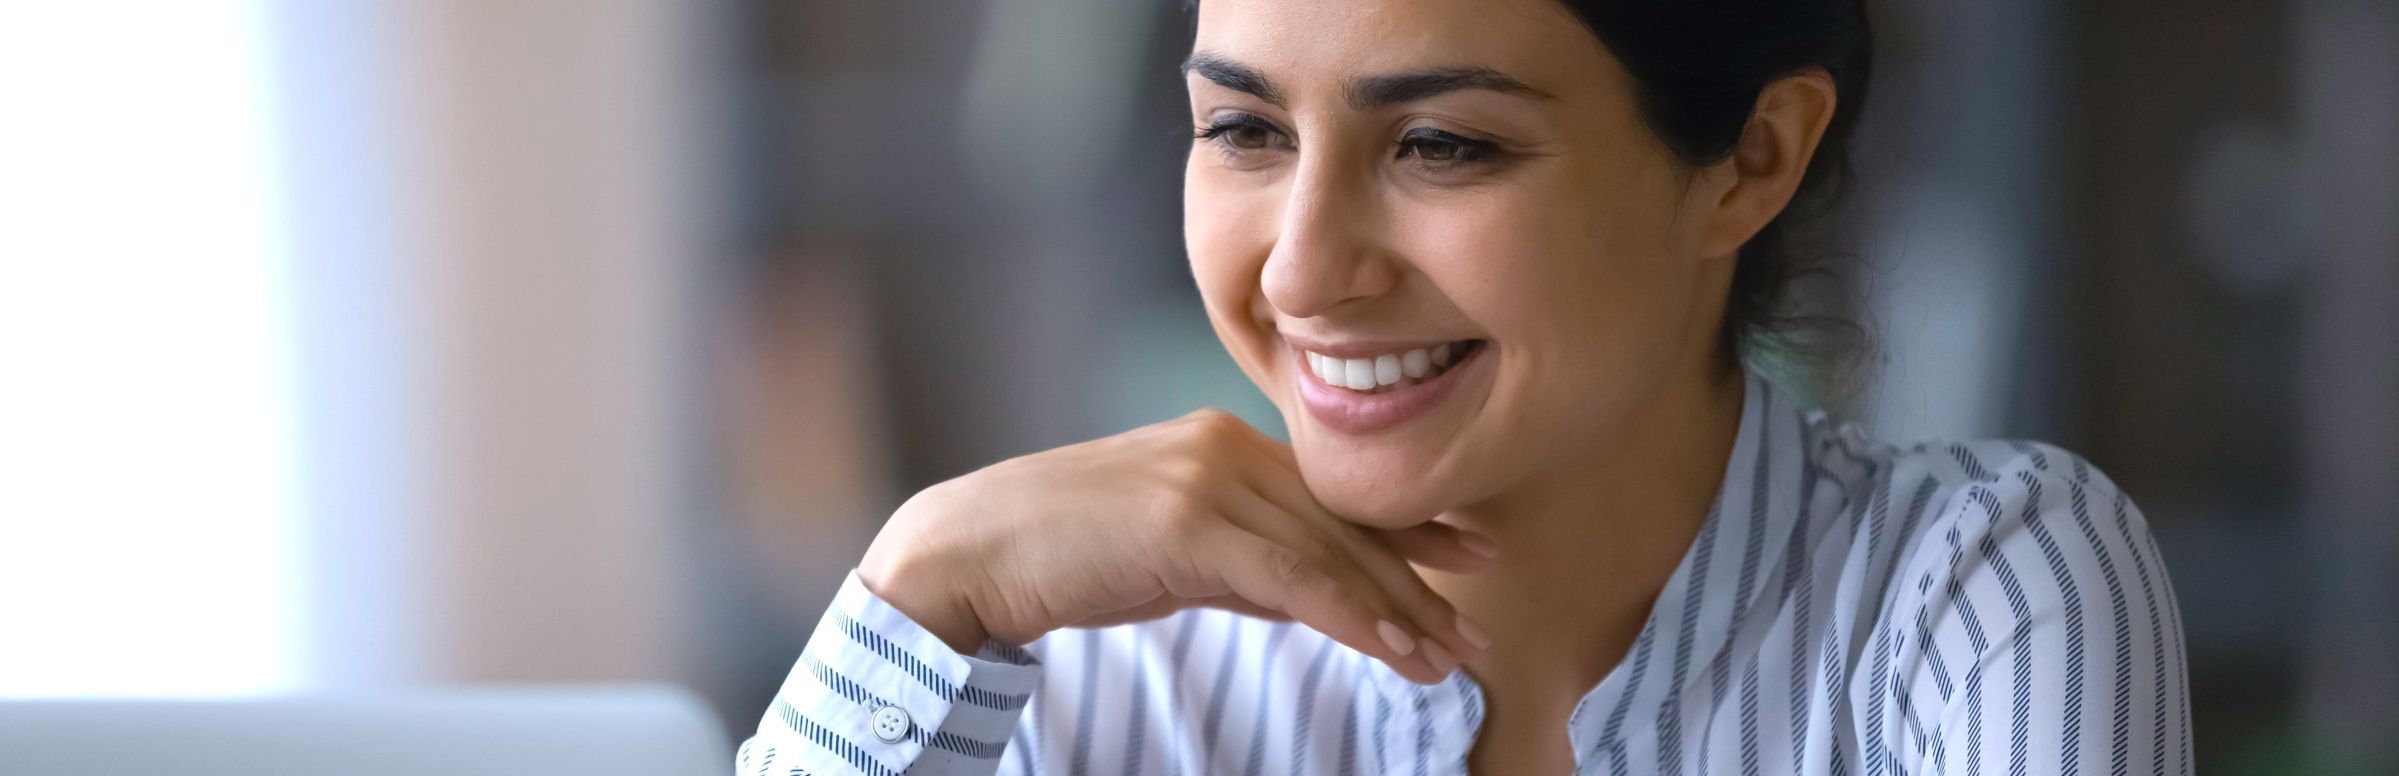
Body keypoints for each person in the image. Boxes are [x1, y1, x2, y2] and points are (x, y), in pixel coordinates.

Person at [736, 0, 2193, 772]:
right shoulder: (1104, 664)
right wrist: (922, 587)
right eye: (1243, 131)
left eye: (1441, 145)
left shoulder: (1979, 595)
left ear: (1751, 160)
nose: (1302, 270)